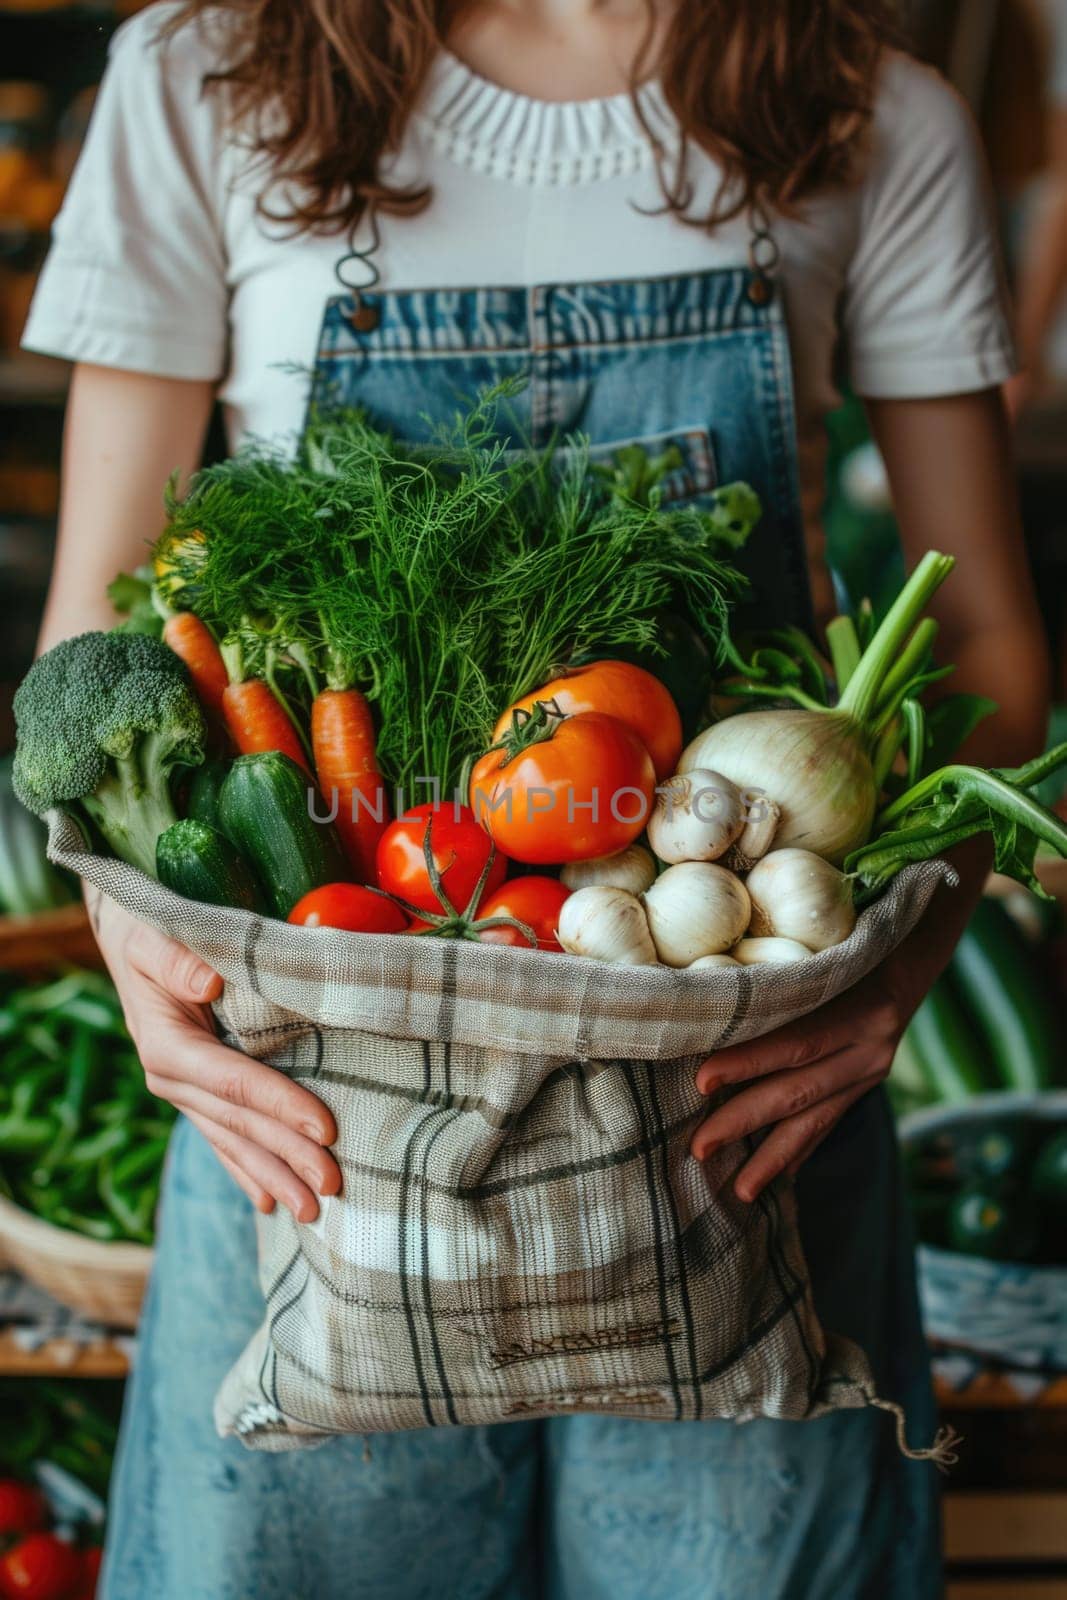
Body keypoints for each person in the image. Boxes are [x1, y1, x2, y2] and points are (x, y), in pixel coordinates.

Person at [22, 2, 1050, 1596]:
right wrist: (137, 958)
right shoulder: (209, 77)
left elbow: (984, 644)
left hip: (733, 1111)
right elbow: (105, 620)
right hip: (316, 1119)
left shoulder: (866, 112)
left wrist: (906, 963)